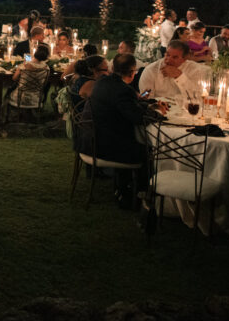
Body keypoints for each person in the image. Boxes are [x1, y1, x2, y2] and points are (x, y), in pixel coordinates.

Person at [85, 53, 162, 209]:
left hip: (89, 140)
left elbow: (127, 106)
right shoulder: (122, 89)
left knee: (134, 142)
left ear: (113, 68)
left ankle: (122, 188)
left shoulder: (102, 82)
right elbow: (137, 117)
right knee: (149, 151)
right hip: (104, 146)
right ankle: (139, 194)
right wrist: (157, 114)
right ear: (133, 72)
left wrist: (148, 106)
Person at [138, 40, 208, 99]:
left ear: (184, 59)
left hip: (185, 110)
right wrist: (143, 95)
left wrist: (179, 76)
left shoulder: (195, 70)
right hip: (159, 110)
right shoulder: (151, 70)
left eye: (175, 57)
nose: (169, 60)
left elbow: (197, 95)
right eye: (167, 55)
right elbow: (145, 95)